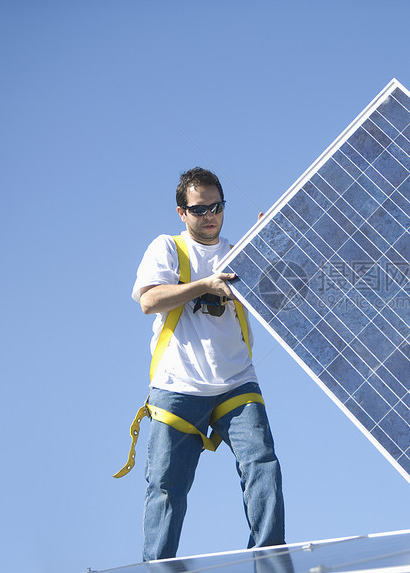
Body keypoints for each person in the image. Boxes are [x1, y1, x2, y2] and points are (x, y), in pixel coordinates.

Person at [131, 167, 285, 560]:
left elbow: (283, 299)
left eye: (217, 207)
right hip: (177, 386)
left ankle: (268, 561)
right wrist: (204, 285)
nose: (210, 215)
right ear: (182, 213)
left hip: (236, 381)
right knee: (166, 485)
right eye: (200, 209)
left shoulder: (240, 252)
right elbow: (149, 301)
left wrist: (275, 246)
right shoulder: (168, 248)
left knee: (262, 465)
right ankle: (158, 567)